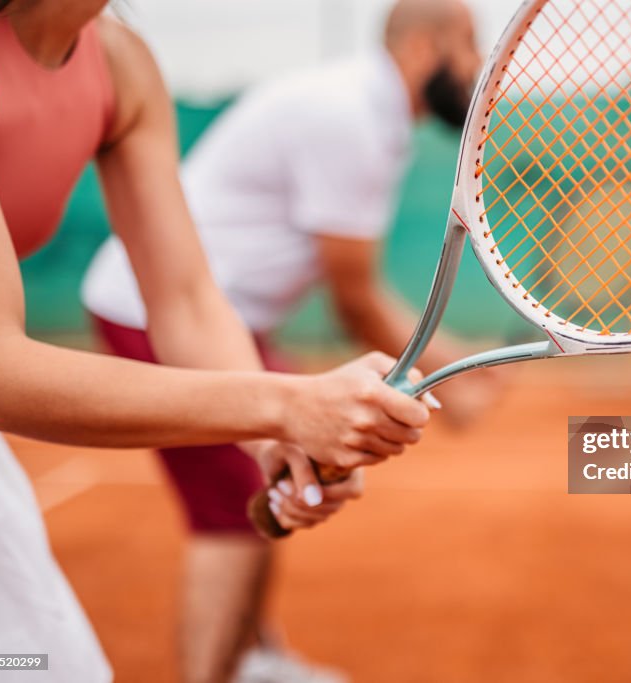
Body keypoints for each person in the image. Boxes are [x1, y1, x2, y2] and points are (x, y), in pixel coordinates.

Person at [0, 1, 431, 682]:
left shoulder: (122, 65)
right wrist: (283, 404)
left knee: (40, 665)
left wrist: (274, 440)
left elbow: (184, 299)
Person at [82, 1, 493, 681]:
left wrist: (460, 367)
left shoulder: (373, 114)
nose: (481, 68)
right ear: (423, 48)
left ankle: (254, 656)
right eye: (470, 46)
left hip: (219, 319)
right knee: (230, 512)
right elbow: (355, 298)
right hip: (157, 312)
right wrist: (461, 375)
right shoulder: (352, 117)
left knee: (272, 478)